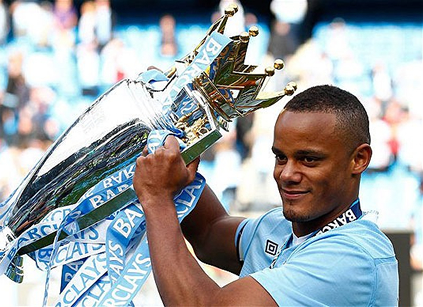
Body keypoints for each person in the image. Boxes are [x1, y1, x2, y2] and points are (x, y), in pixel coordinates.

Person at [132, 84, 399, 306]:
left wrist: (157, 198)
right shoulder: (280, 226)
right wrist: (166, 143)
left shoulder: (353, 257)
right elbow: (209, 233)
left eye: (308, 159)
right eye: (281, 157)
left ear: (359, 160)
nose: (287, 174)